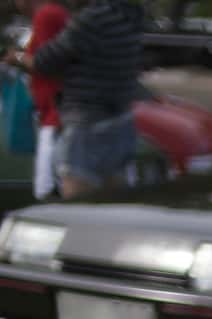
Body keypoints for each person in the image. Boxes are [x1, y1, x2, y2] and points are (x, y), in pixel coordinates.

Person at [17, 0, 141, 197]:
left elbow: (45, 62)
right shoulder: (127, 17)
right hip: (120, 120)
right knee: (113, 203)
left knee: (78, 205)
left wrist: (18, 58)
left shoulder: (92, 19)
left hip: (87, 124)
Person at [12, 0, 68, 200]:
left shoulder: (47, 16)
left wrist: (16, 58)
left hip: (57, 116)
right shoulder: (52, 14)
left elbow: (47, 63)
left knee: (46, 190)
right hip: (52, 114)